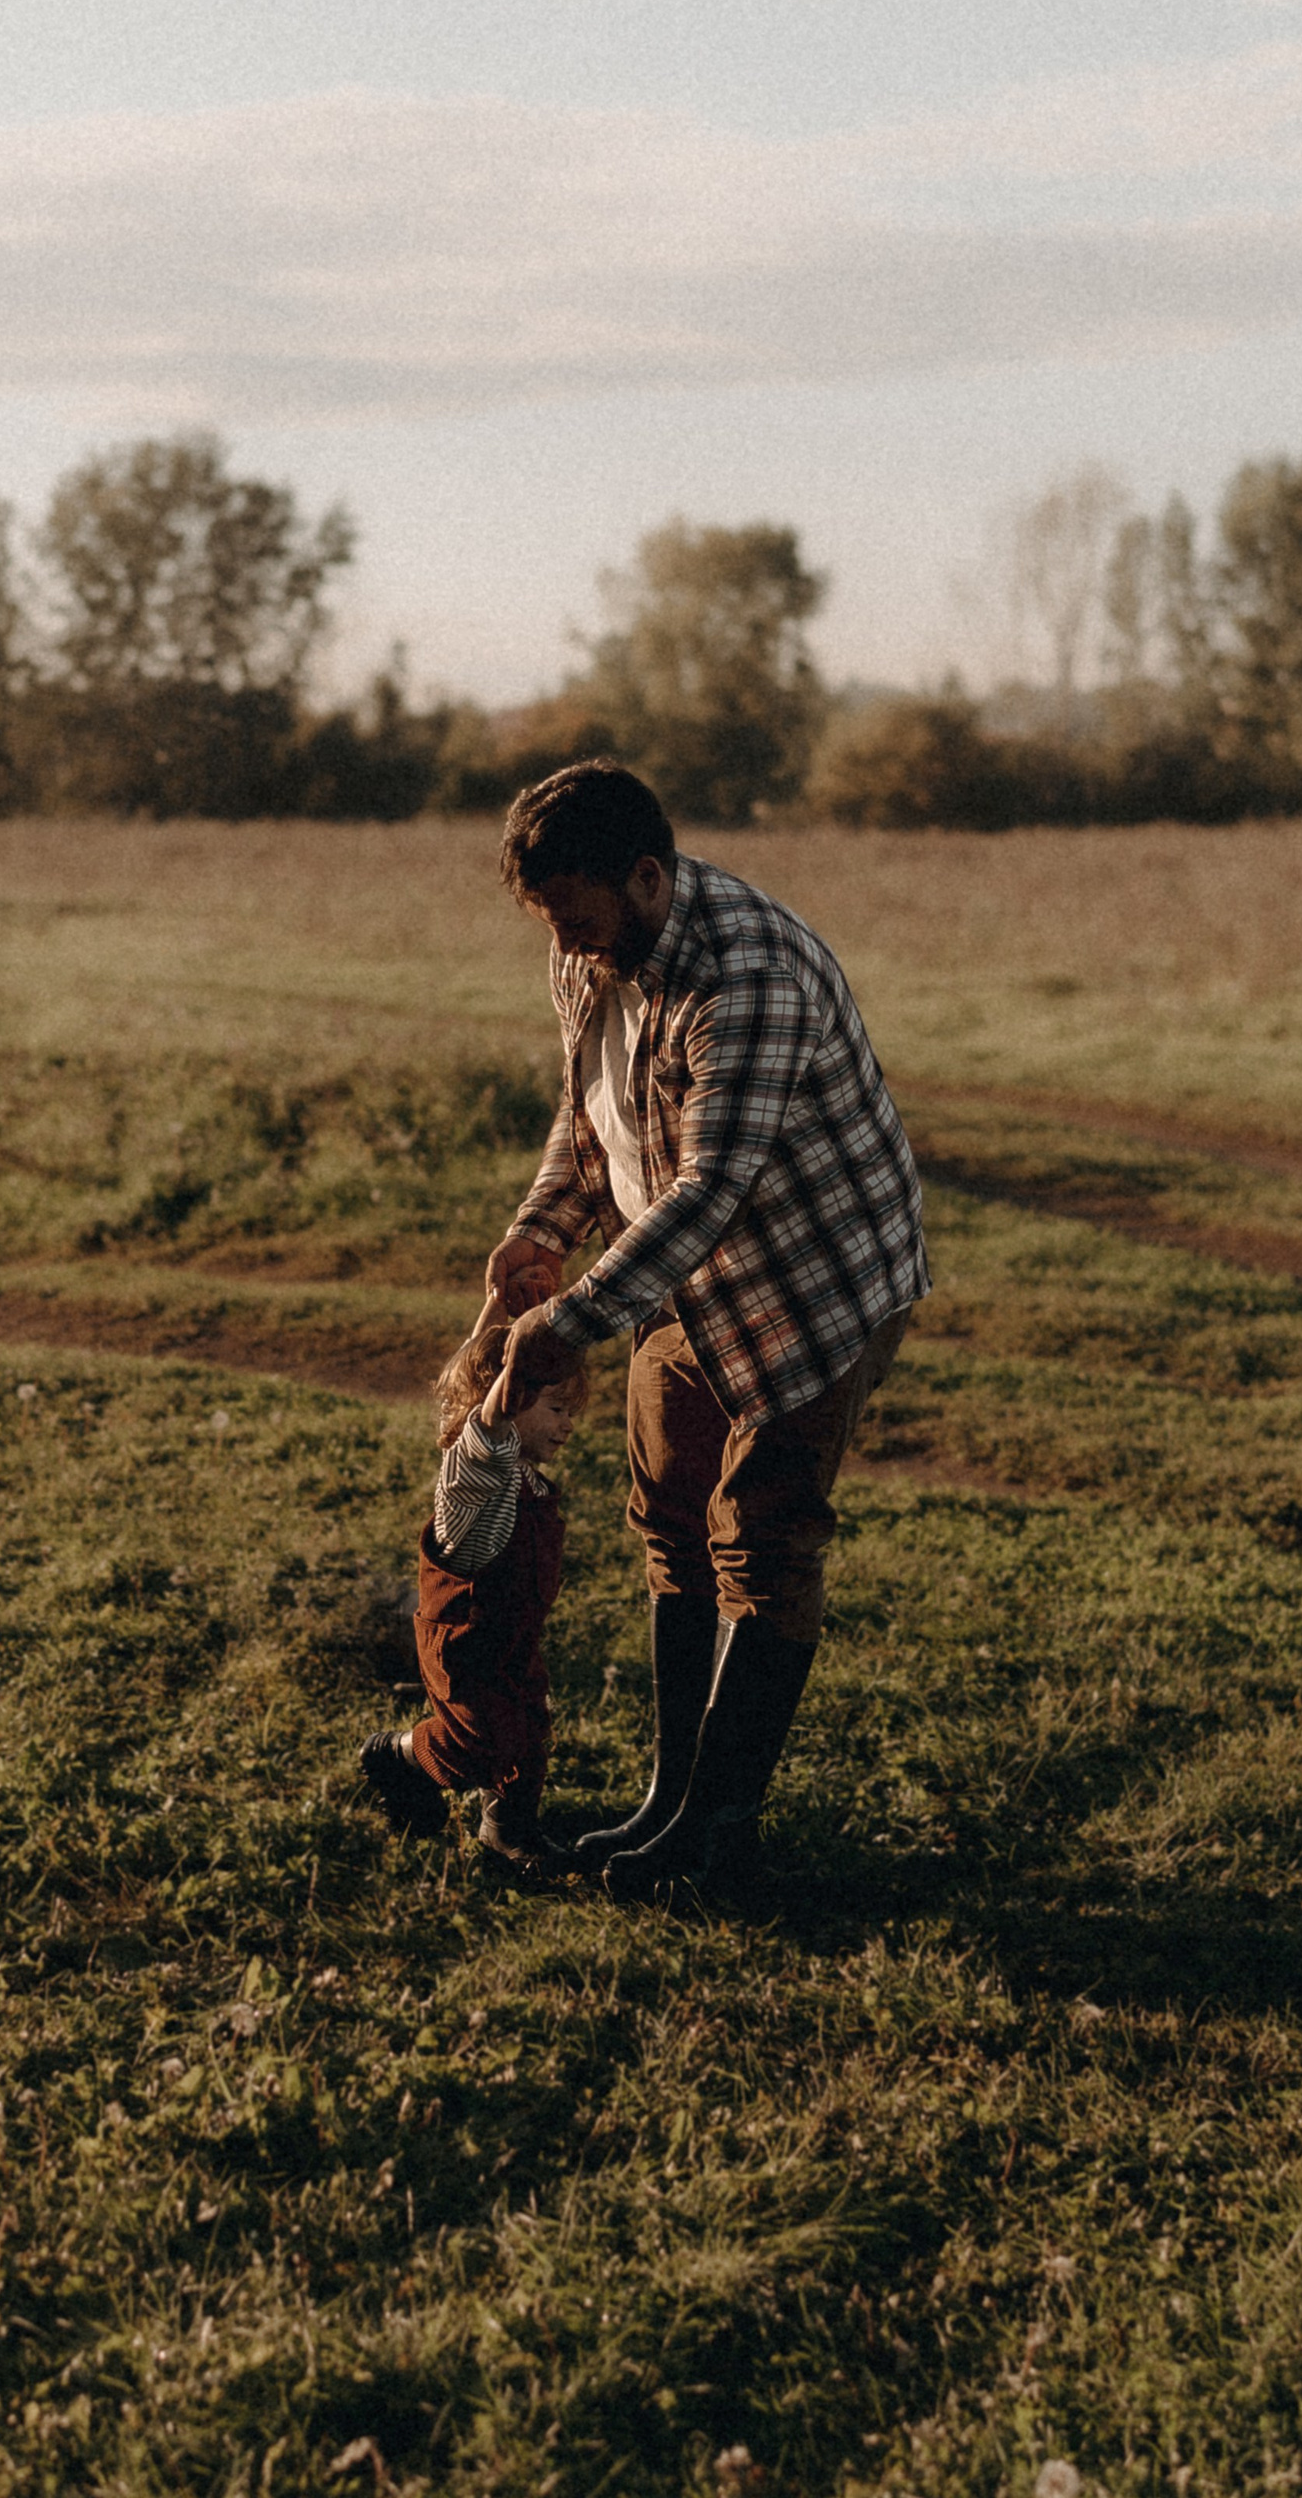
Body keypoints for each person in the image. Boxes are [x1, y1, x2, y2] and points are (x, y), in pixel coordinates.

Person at [484, 759, 928, 1895]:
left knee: (762, 1538)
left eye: (584, 923)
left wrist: (575, 1319)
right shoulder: (590, 951)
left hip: (811, 1281)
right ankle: (665, 1806)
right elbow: (593, 1116)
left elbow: (710, 1185)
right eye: (556, 929)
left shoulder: (752, 975)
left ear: (644, 877)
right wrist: (541, 1231)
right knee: (671, 1523)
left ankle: (717, 1833)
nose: (573, 950)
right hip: (673, 1280)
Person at [359, 1291, 587, 1879]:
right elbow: (482, 1420)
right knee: (475, 1744)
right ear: (510, 1402)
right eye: (557, 1408)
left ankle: (507, 1830)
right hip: (465, 1637)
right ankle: (399, 1757)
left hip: (510, 1633)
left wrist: (495, 1312)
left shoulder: (525, 1475)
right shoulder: (477, 1470)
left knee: (530, 1730)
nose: (569, 1425)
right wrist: (510, 1371)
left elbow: (468, 1378)